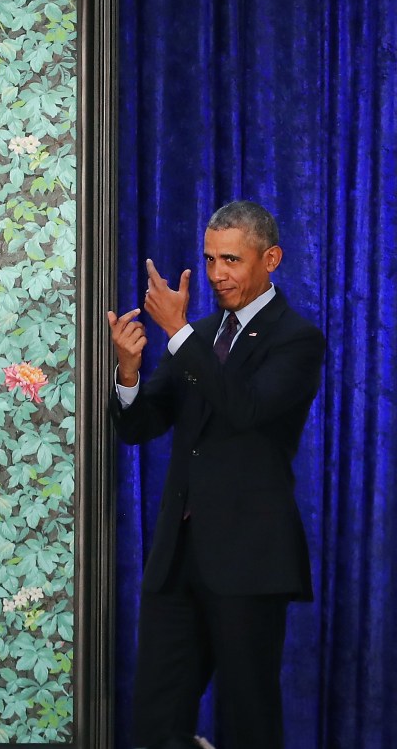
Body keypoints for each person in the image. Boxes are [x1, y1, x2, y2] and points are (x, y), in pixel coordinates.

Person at [106, 200, 325, 749]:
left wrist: (179, 333)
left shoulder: (296, 339)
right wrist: (128, 374)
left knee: (250, 723)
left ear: (270, 258)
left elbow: (244, 408)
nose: (217, 275)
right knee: (155, 727)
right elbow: (140, 425)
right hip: (178, 562)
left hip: (249, 563)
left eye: (231, 260)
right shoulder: (199, 337)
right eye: (209, 260)